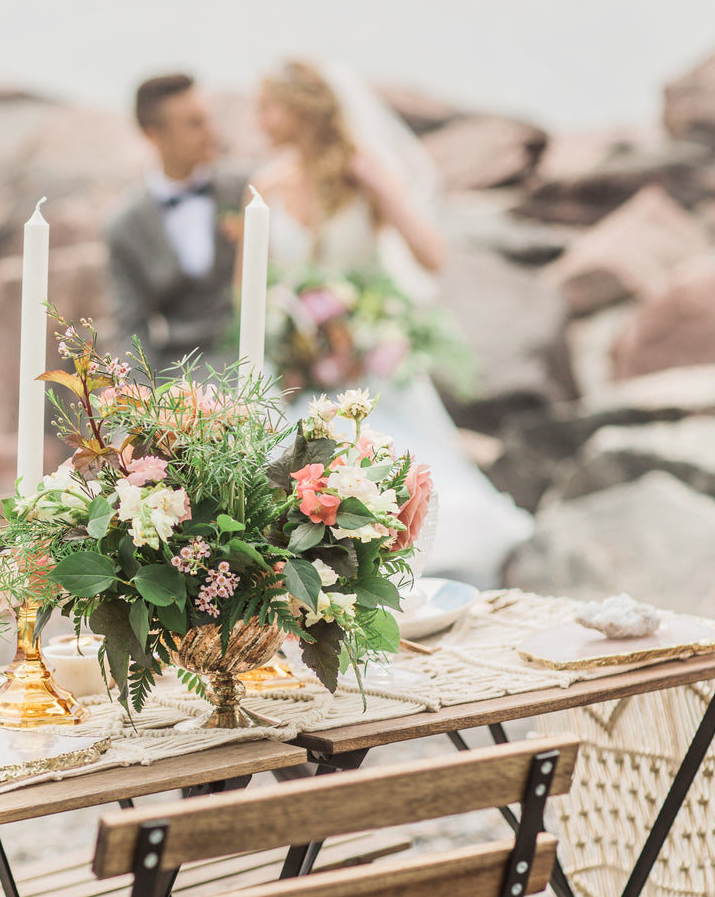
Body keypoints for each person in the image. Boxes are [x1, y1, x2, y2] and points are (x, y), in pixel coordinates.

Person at [252, 59, 532, 588]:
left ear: (300, 110)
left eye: (267, 107)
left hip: (367, 371)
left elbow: (432, 255)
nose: (258, 121)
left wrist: (383, 189)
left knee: (399, 472)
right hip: (294, 375)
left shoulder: (363, 175)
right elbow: (251, 293)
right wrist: (289, 339)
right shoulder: (265, 188)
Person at [106, 74, 248, 373]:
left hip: (253, 358)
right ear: (154, 135)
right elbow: (131, 330)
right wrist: (144, 404)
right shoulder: (124, 227)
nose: (211, 133)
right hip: (177, 372)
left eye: (209, 119)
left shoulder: (247, 192)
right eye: (194, 124)